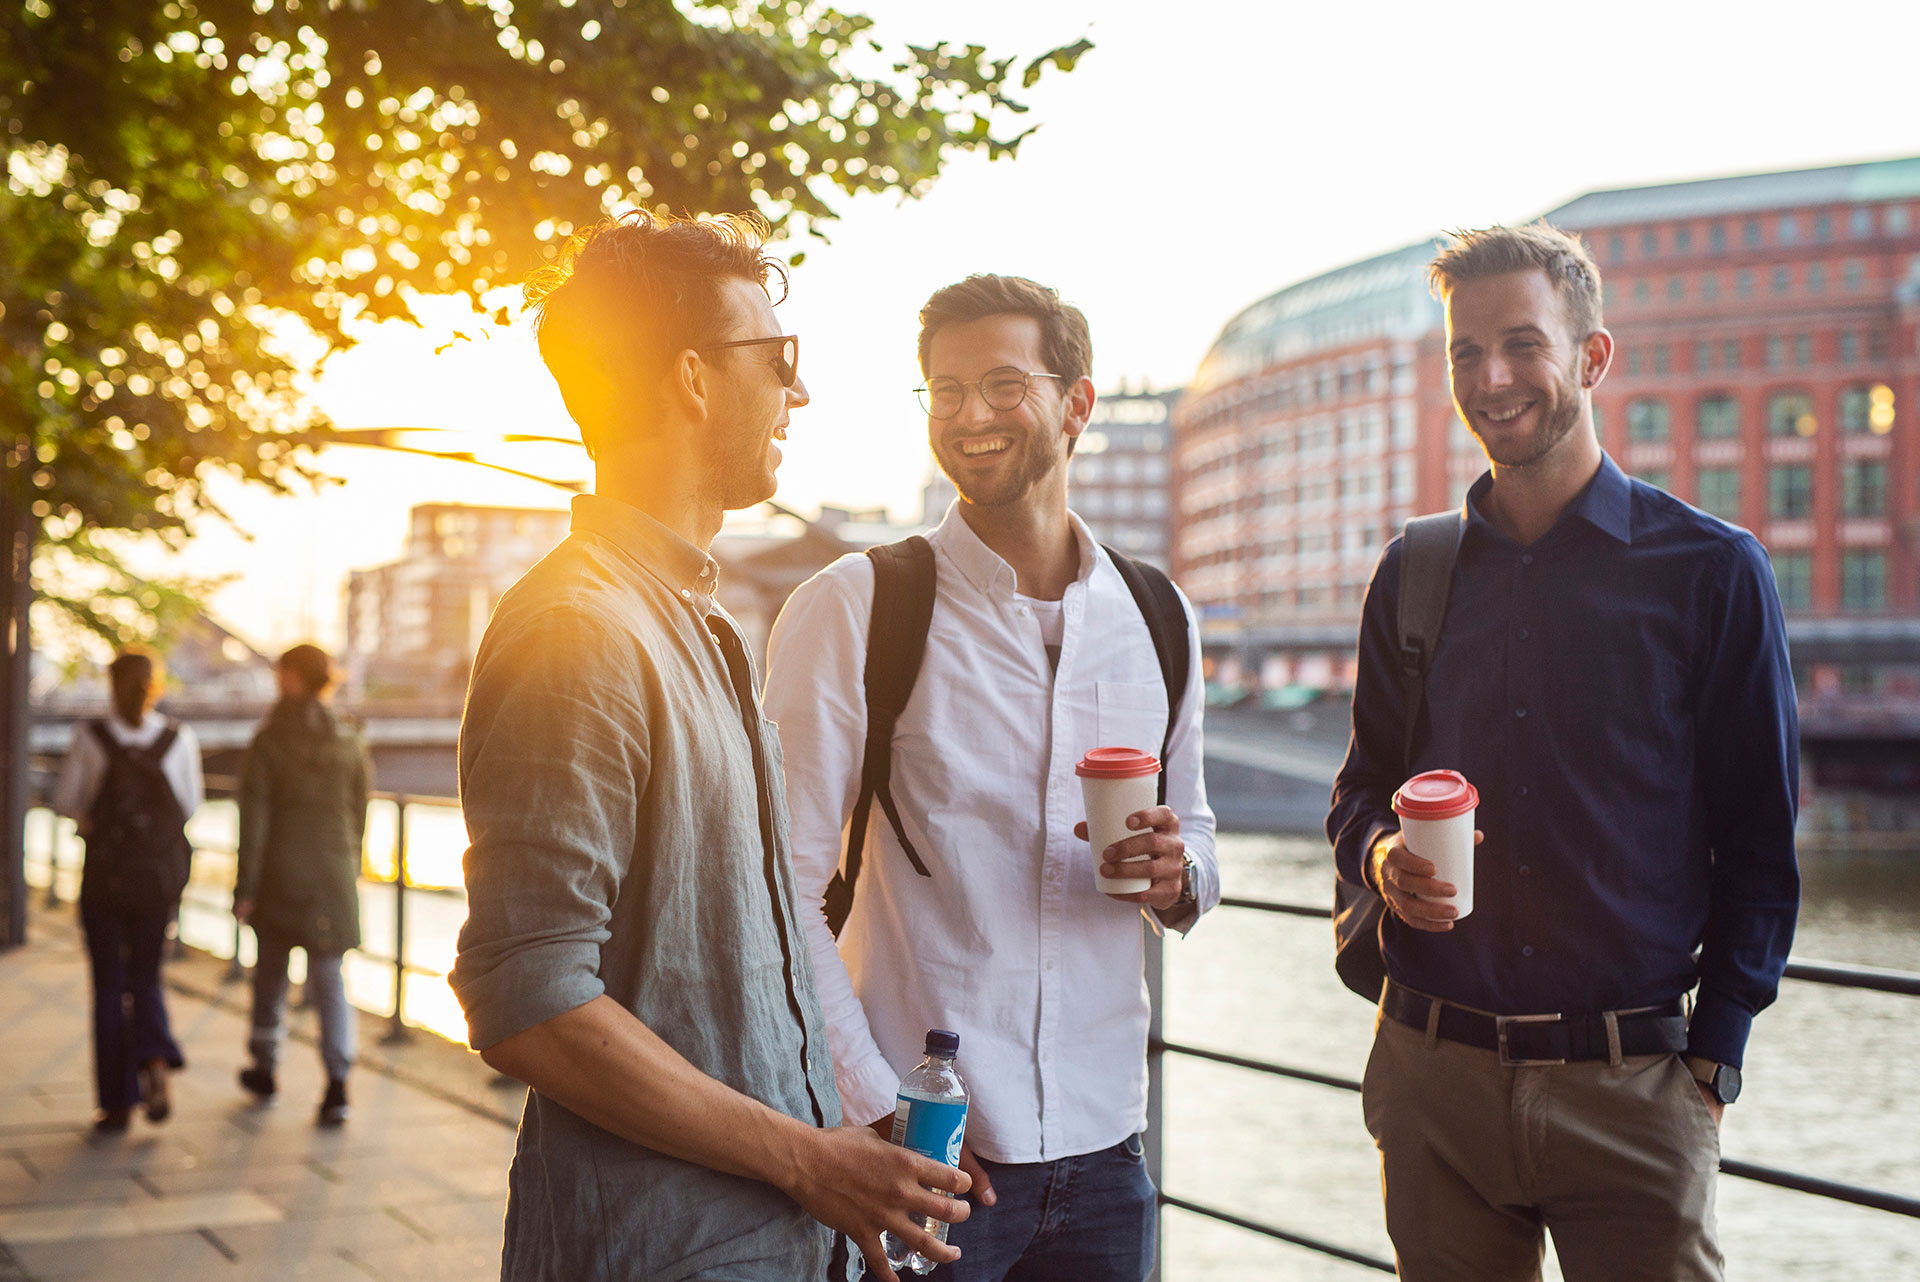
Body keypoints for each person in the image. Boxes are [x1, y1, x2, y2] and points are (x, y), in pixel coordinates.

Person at [447, 210, 969, 1282]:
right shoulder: (578, 630)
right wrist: (806, 1159)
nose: (798, 391)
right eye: (778, 358)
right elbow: (528, 998)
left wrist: (835, 1129)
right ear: (692, 377)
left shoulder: (694, 621)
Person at [1328, 224, 1800, 1281]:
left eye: (1522, 345)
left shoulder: (1712, 571)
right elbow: (1360, 791)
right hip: (1434, 1081)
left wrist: (1714, 1059)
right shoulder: (1413, 571)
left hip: (1632, 1092)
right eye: (1465, 352)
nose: (1490, 378)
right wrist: (1380, 859)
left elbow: (1762, 845)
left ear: (1592, 357)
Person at [763, 273, 1218, 1282]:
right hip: (922, 1152)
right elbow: (776, 889)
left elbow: (1197, 833)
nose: (970, 415)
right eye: (946, 389)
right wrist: (875, 1106)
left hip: (1110, 1153)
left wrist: (1178, 875)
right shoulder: (857, 607)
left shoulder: (1159, 616)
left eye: (1005, 385)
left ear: (1077, 404)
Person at [53, 647, 203, 1132]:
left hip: (105, 878)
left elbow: (67, 801)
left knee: (108, 986)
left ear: (111, 685)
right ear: (155, 686)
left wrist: (93, 823)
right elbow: (190, 806)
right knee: (146, 976)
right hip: (157, 881)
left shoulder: (90, 737)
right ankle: (155, 1057)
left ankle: (116, 1103)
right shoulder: (178, 738)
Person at [234, 643, 371, 1127]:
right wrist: (349, 865)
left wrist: (244, 887)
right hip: (334, 875)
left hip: (279, 874)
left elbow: (254, 820)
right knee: (330, 978)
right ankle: (337, 1083)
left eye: (281, 673)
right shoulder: (349, 738)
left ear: (293, 677)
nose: (277, 681)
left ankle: (265, 1068)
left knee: (271, 975)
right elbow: (360, 812)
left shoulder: (269, 742)